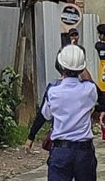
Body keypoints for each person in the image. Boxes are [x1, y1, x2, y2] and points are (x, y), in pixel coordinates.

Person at [42, 45, 99, 181]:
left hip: (61, 150)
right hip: (84, 151)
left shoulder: (53, 91)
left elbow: (46, 115)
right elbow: (90, 85)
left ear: (60, 65)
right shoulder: (89, 89)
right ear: (81, 67)